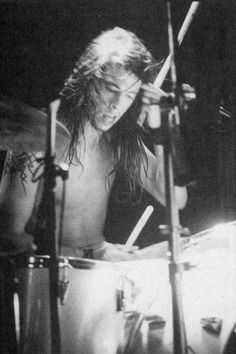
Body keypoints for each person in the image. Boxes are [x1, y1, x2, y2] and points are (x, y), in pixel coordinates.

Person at [0, 27, 187, 262]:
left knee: (186, 249)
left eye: (130, 95)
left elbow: (176, 200)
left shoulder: (117, 142)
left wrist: (161, 126)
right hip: (54, 275)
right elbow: (7, 236)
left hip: (99, 265)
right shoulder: (40, 136)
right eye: (111, 89)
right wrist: (91, 255)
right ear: (89, 80)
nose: (117, 105)